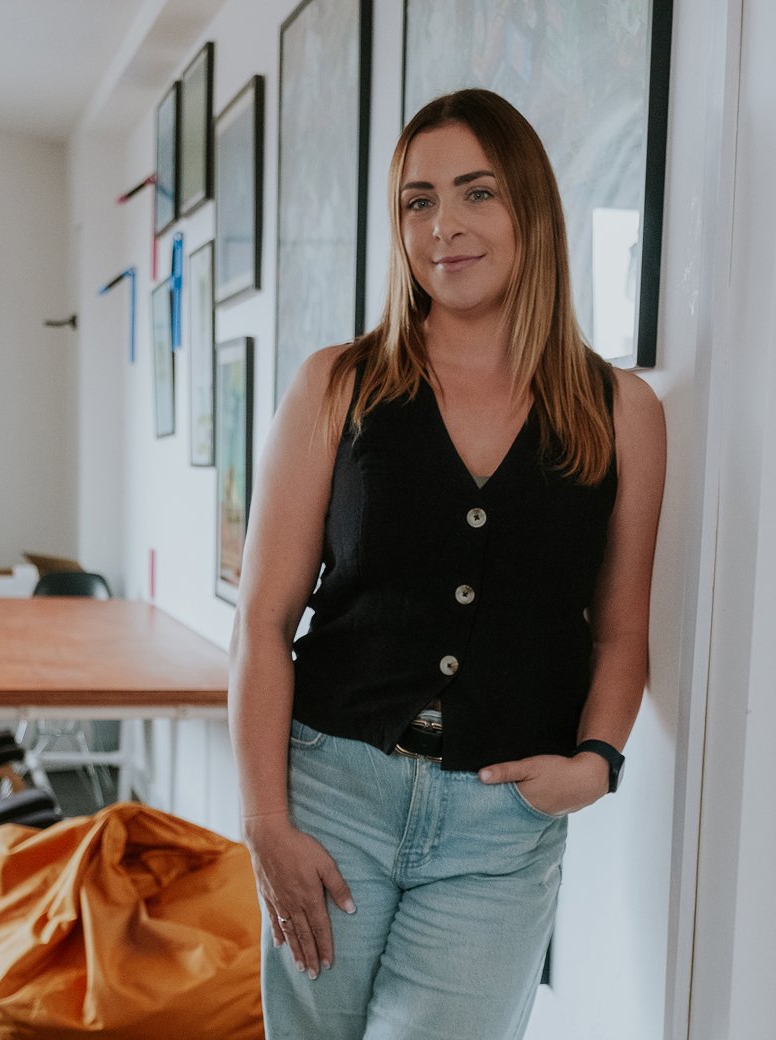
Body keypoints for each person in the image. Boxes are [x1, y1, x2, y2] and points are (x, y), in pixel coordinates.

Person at [228, 88, 666, 1040]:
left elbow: (623, 632)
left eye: (478, 193)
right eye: (417, 201)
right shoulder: (337, 386)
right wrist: (268, 823)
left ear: (532, 210)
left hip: (498, 830)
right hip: (331, 796)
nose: (444, 227)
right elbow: (263, 623)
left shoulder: (621, 411)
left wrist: (597, 764)